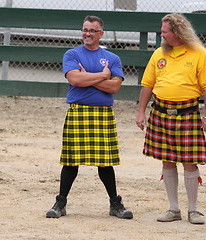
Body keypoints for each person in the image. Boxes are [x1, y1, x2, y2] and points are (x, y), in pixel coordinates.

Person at [46, 15, 133, 219]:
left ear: (100, 34)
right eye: (85, 29)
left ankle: (115, 204)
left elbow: (115, 86)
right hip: (78, 111)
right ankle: (60, 203)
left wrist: (89, 78)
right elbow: (75, 79)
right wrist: (102, 76)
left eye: (92, 30)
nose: (87, 34)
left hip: (102, 113)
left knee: (105, 163)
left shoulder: (112, 58)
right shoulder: (72, 54)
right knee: (71, 162)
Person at [135, 13, 206, 224]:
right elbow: (147, 85)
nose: (161, 35)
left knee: (189, 162)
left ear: (177, 32)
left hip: (187, 113)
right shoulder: (158, 54)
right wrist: (141, 111)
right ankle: (173, 209)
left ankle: (193, 210)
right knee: (167, 161)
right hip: (161, 113)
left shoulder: (199, 53)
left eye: (164, 31)